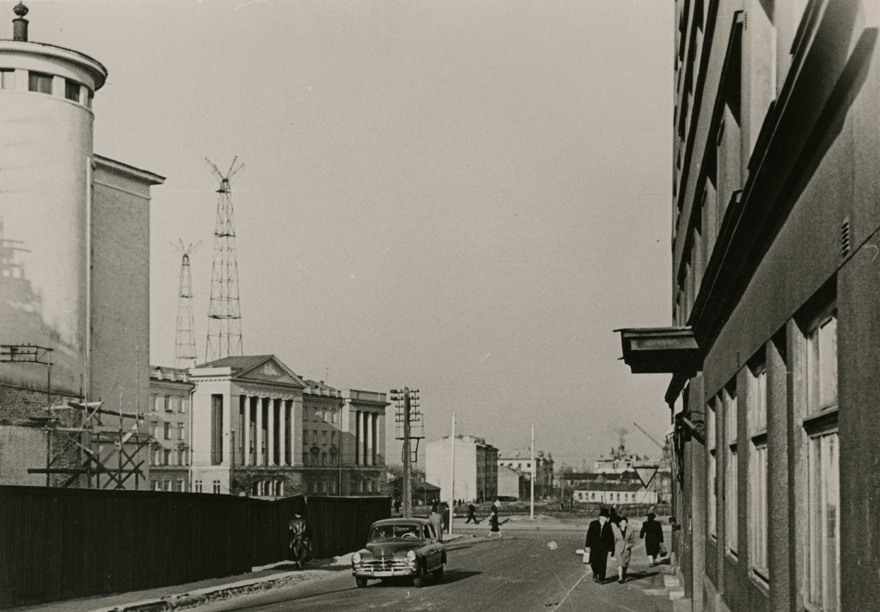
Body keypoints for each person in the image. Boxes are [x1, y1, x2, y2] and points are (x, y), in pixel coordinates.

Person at [584, 507, 615, 584]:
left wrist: (611, 549)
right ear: (600, 517)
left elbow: (611, 538)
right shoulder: (593, 524)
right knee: (594, 562)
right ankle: (595, 572)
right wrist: (587, 546)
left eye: (606, 517)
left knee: (603, 563)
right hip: (594, 547)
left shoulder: (608, 526)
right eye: (604, 517)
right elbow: (589, 535)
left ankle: (601, 579)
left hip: (604, 547)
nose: (605, 518)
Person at [613, 516, 636, 583]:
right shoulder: (616, 530)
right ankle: (620, 577)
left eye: (625, 522)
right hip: (618, 549)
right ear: (619, 523)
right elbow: (614, 541)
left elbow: (633, 541)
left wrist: (629, 545)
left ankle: (624, 575)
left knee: (625, 564)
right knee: (620, 563)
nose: (623, 523)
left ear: (626, 523)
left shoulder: (630, 530)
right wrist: (612, 549)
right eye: (622, 522)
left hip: (627, 550)